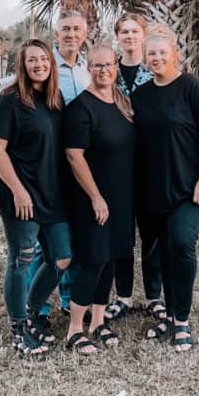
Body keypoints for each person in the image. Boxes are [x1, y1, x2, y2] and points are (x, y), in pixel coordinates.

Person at [132, 26, 199, 352]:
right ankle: (169, 316)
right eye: (151, 54)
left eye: (162, 52)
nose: (157, 58)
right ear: (144, 60)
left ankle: (182, 321)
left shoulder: (193, 88)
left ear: (175, 53)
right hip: (153, 189)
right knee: (161, 251)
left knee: (181, 246)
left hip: (190, 189)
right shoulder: (141, 95)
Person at [0, 39, 72, 357]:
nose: (38, 64)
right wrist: (19, 191)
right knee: (21, 259)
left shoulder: (53, 98)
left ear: (51, 63)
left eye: (43, 59)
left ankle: (33, 311)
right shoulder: (11, 99)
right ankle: (19, 327)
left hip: (51, 192)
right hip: (19, 193)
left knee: (61, 257)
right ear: (23, 65)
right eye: (31, 60)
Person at [63, 43, 136, 354]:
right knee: (92, 261)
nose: (103, 70)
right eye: (96, 66)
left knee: (110, 259)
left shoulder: (120, 101)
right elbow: (73, 155)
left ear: (116, 66)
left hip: (122, 196)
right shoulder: (81, 108)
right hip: (94, 199)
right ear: (87, 68)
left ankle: (98, 321)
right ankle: (75, 329)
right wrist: (95, 197)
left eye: (108, 65)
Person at [26, 10, 92, 324]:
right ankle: (35, 307)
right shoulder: (43, 65)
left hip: (82, 162)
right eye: (65, 28)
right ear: (57, 32)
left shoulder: (88, 67)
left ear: (85, 32)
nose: (71, 34)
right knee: (45, 241)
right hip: (50, 163)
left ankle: (68, 300)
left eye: (76, 29)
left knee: (75, 234)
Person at [105, 12, 165, 325]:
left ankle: (154, 297)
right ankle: (124, 295)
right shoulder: (109, 70)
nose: (129, 37)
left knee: (152, 233)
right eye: (124, 32)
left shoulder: (155, 68)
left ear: (143, 35)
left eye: (135, 31)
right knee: (122, 234)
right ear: (118, 36)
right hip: (118, 165)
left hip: (151, 163)